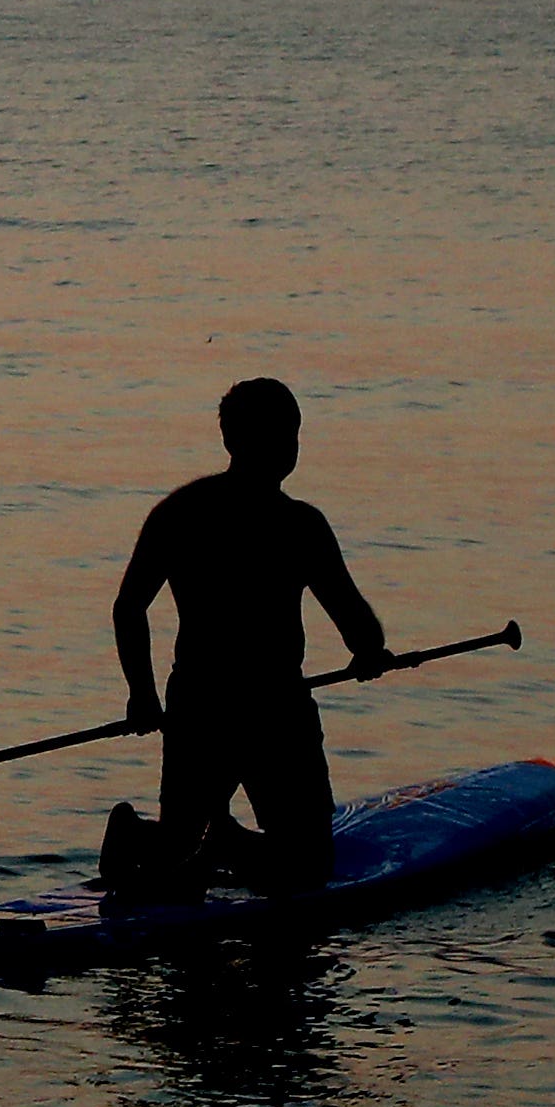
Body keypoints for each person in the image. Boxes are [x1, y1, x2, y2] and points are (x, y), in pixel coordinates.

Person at [99, 377, 389, 899]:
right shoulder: (300, 525)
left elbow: (129, 608)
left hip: (206, 706)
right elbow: (357, 626)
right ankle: (219, 843)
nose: (289, 446)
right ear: (241, 441)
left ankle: (160, 839)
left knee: (180, 857)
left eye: (291, 434)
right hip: (267, 709)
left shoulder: (182, 511)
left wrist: (143, 693)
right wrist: (369, 655)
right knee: (306, 870)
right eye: (283, 435)